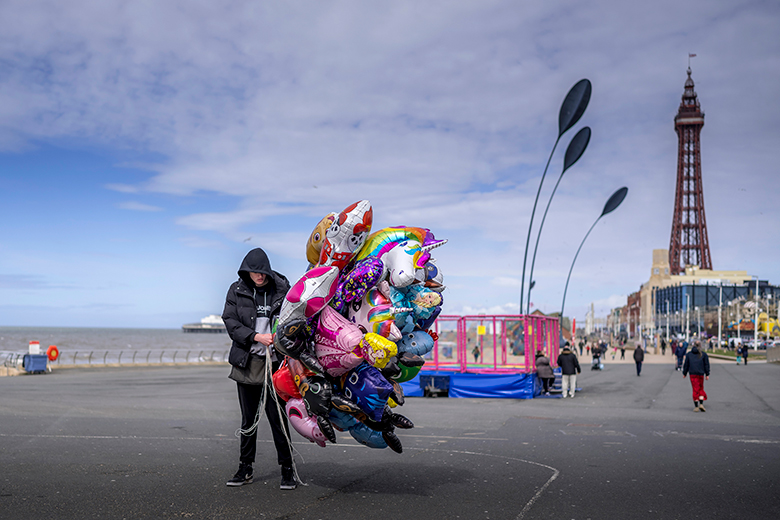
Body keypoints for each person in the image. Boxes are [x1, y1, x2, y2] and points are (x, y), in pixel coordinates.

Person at [222, 248, 297, 490]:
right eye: (254, 272)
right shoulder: (236, 289)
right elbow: (230, 322)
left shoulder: (283, 288)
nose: (259, 276)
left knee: (279, 420)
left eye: (262, 272)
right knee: (248, 421)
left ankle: (288, 470)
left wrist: (281, 338)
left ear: (267, 270)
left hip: (276, 366)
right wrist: (256, 336)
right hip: (247, 363)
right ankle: (245, 469)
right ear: (247, 271)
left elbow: (296, 318)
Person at [683, 341, 710, 412]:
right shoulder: (703, 354)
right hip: (701, 373)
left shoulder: (689, 354)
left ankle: (696, 406)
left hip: (692, 373)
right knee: (701, 387)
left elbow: (686, 364)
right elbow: (706, 365)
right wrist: (707, 374)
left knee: (695, 388)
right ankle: (701, 403)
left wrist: (684, 373)